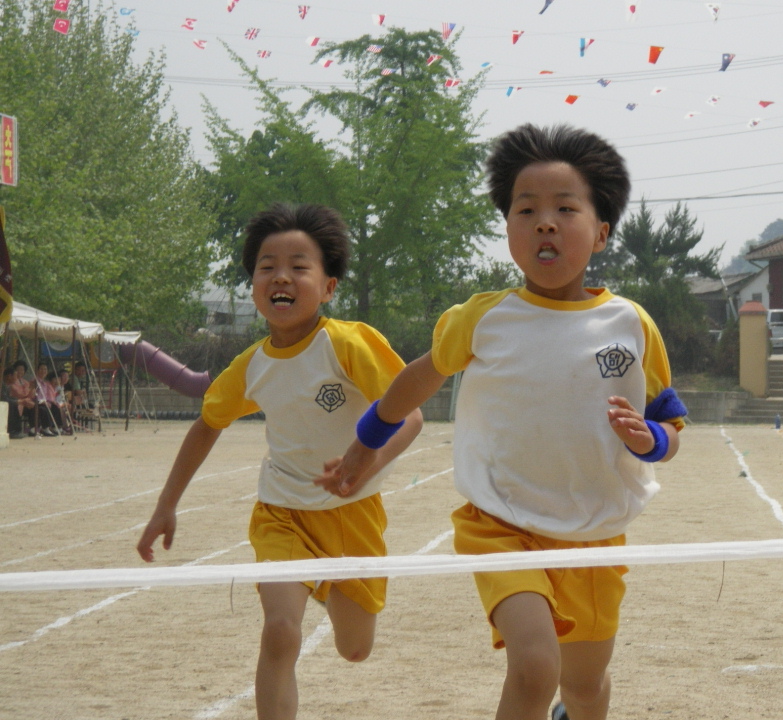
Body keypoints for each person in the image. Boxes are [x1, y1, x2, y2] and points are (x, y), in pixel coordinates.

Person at [320, 124, 687, 720]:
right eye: (527, 209)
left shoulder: (631, 324)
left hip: (594, 532)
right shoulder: (483, 318)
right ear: (510, 229)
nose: (545, 222)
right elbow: (418, 377)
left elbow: (670, 426)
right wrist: (366, 444)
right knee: (536, 666)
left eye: (565, 209)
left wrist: (652, 443)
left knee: (586, 686)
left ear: (600, 232)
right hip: (501, 524)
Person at [136, 203, 423, 720]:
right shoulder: (252, 366)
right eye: (267, 266)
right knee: (280, 632)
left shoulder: (349, 343)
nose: (281, 276)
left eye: (298, 265)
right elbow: (207, 423)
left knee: (354, 648)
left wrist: (364, 465)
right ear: (254, 284)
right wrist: (166, 505)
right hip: (281, 513)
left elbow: (412, 416)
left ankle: (326, 579)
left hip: (353, 514)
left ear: (329, 287)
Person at [5, 361, 39, 437]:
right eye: (18, 369)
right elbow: (18, 393)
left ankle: (34, 427)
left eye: (22, 370)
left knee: (36, 405)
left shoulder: (26, 382)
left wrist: (32, 389)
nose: (20, 372)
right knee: (14, 406)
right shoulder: (11, 383)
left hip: (24, 402)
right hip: (18, 401)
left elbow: (29, 394)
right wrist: (24, 399)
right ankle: (14, 430)